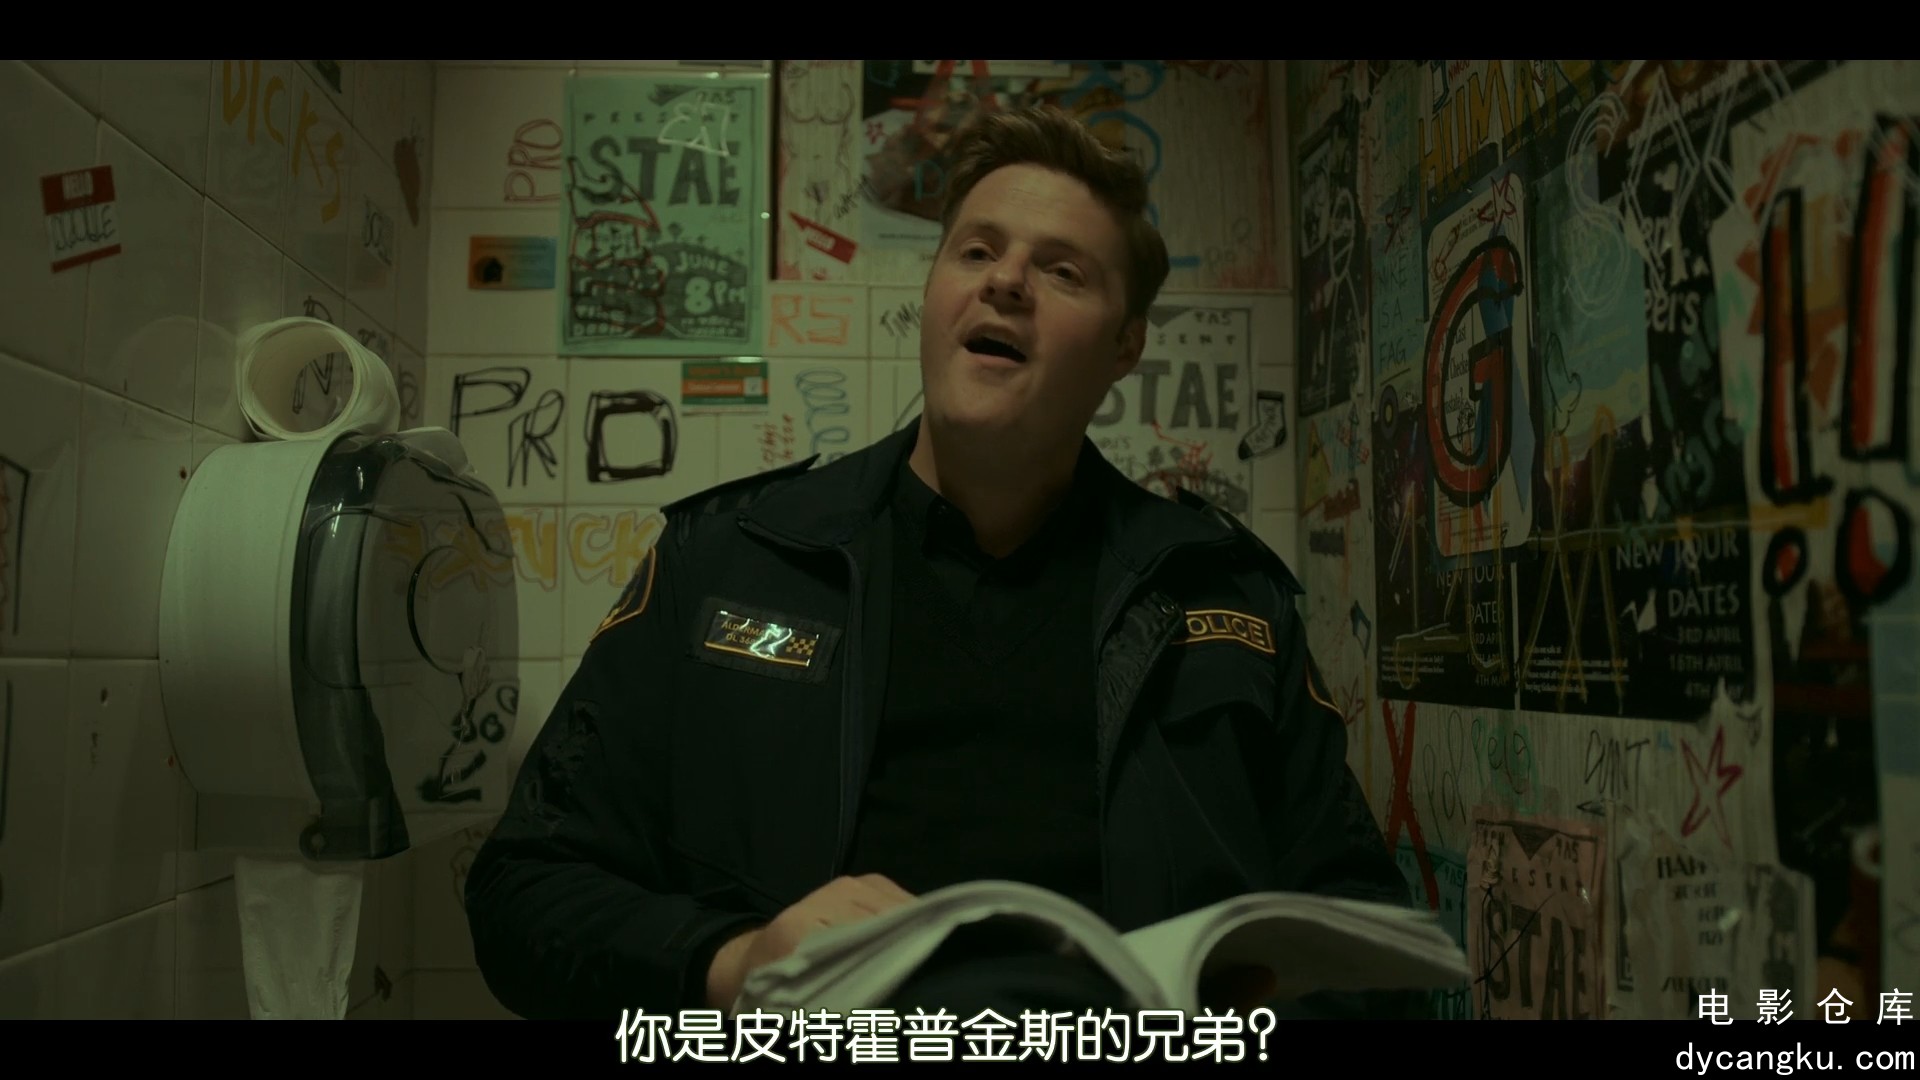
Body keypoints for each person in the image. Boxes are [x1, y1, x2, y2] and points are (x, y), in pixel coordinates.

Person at [464, 103, 1417, 1022]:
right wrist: (735, 963)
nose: (1007, 281)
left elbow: (1370, 949)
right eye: (976, 251)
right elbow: (523, 893)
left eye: (1064, 271)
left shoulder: (1226, 597)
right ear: (932, 295)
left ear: (1125, 345)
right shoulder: (728, 560)